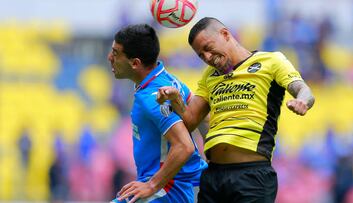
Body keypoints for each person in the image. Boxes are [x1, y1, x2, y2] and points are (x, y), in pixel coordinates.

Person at [157, 17, 315, 203]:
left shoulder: (271, 61)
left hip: (251, 176)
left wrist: (302, 101)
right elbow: (190, 121)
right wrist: (176, 99)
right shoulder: (210, 75)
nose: (207, 57)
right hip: (213, 177)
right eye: (201, 55)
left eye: (208, 48)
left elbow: (304, 90)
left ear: (225, 34)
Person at [107, 24, 207, 203]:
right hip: (171, 188)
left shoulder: (152, 97)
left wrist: (152, 185)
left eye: (115, 53)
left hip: (167, 190)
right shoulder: (170, 80)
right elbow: (202, 118)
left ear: (135, 63)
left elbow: (184, 146)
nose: (109, 58)